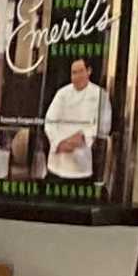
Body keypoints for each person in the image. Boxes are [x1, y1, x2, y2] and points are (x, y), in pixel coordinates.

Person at [40, 54, 113, 185]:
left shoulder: (100, 95)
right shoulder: (62, 93)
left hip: (82, 168)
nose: (76, 77)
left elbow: (104, 125)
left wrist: (83, 136)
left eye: (80, 72)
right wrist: (59, 143)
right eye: (73, 73)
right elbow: (50, 121)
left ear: (89, 71)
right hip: (56, 165)